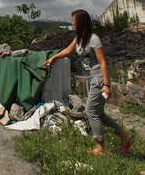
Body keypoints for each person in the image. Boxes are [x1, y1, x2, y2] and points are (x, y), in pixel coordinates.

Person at [43, 9, 134, 156]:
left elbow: (102, 62)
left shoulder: (93, 39)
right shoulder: (79, 39)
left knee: (91, 111)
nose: (72, 24)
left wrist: (106, 84)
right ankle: (125, 137)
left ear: (81, 23)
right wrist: (53, 58)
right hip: (90, 80)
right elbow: (68, 50)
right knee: (99, 114)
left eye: (74, 21)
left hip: (99, 79)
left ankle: (100, 148)